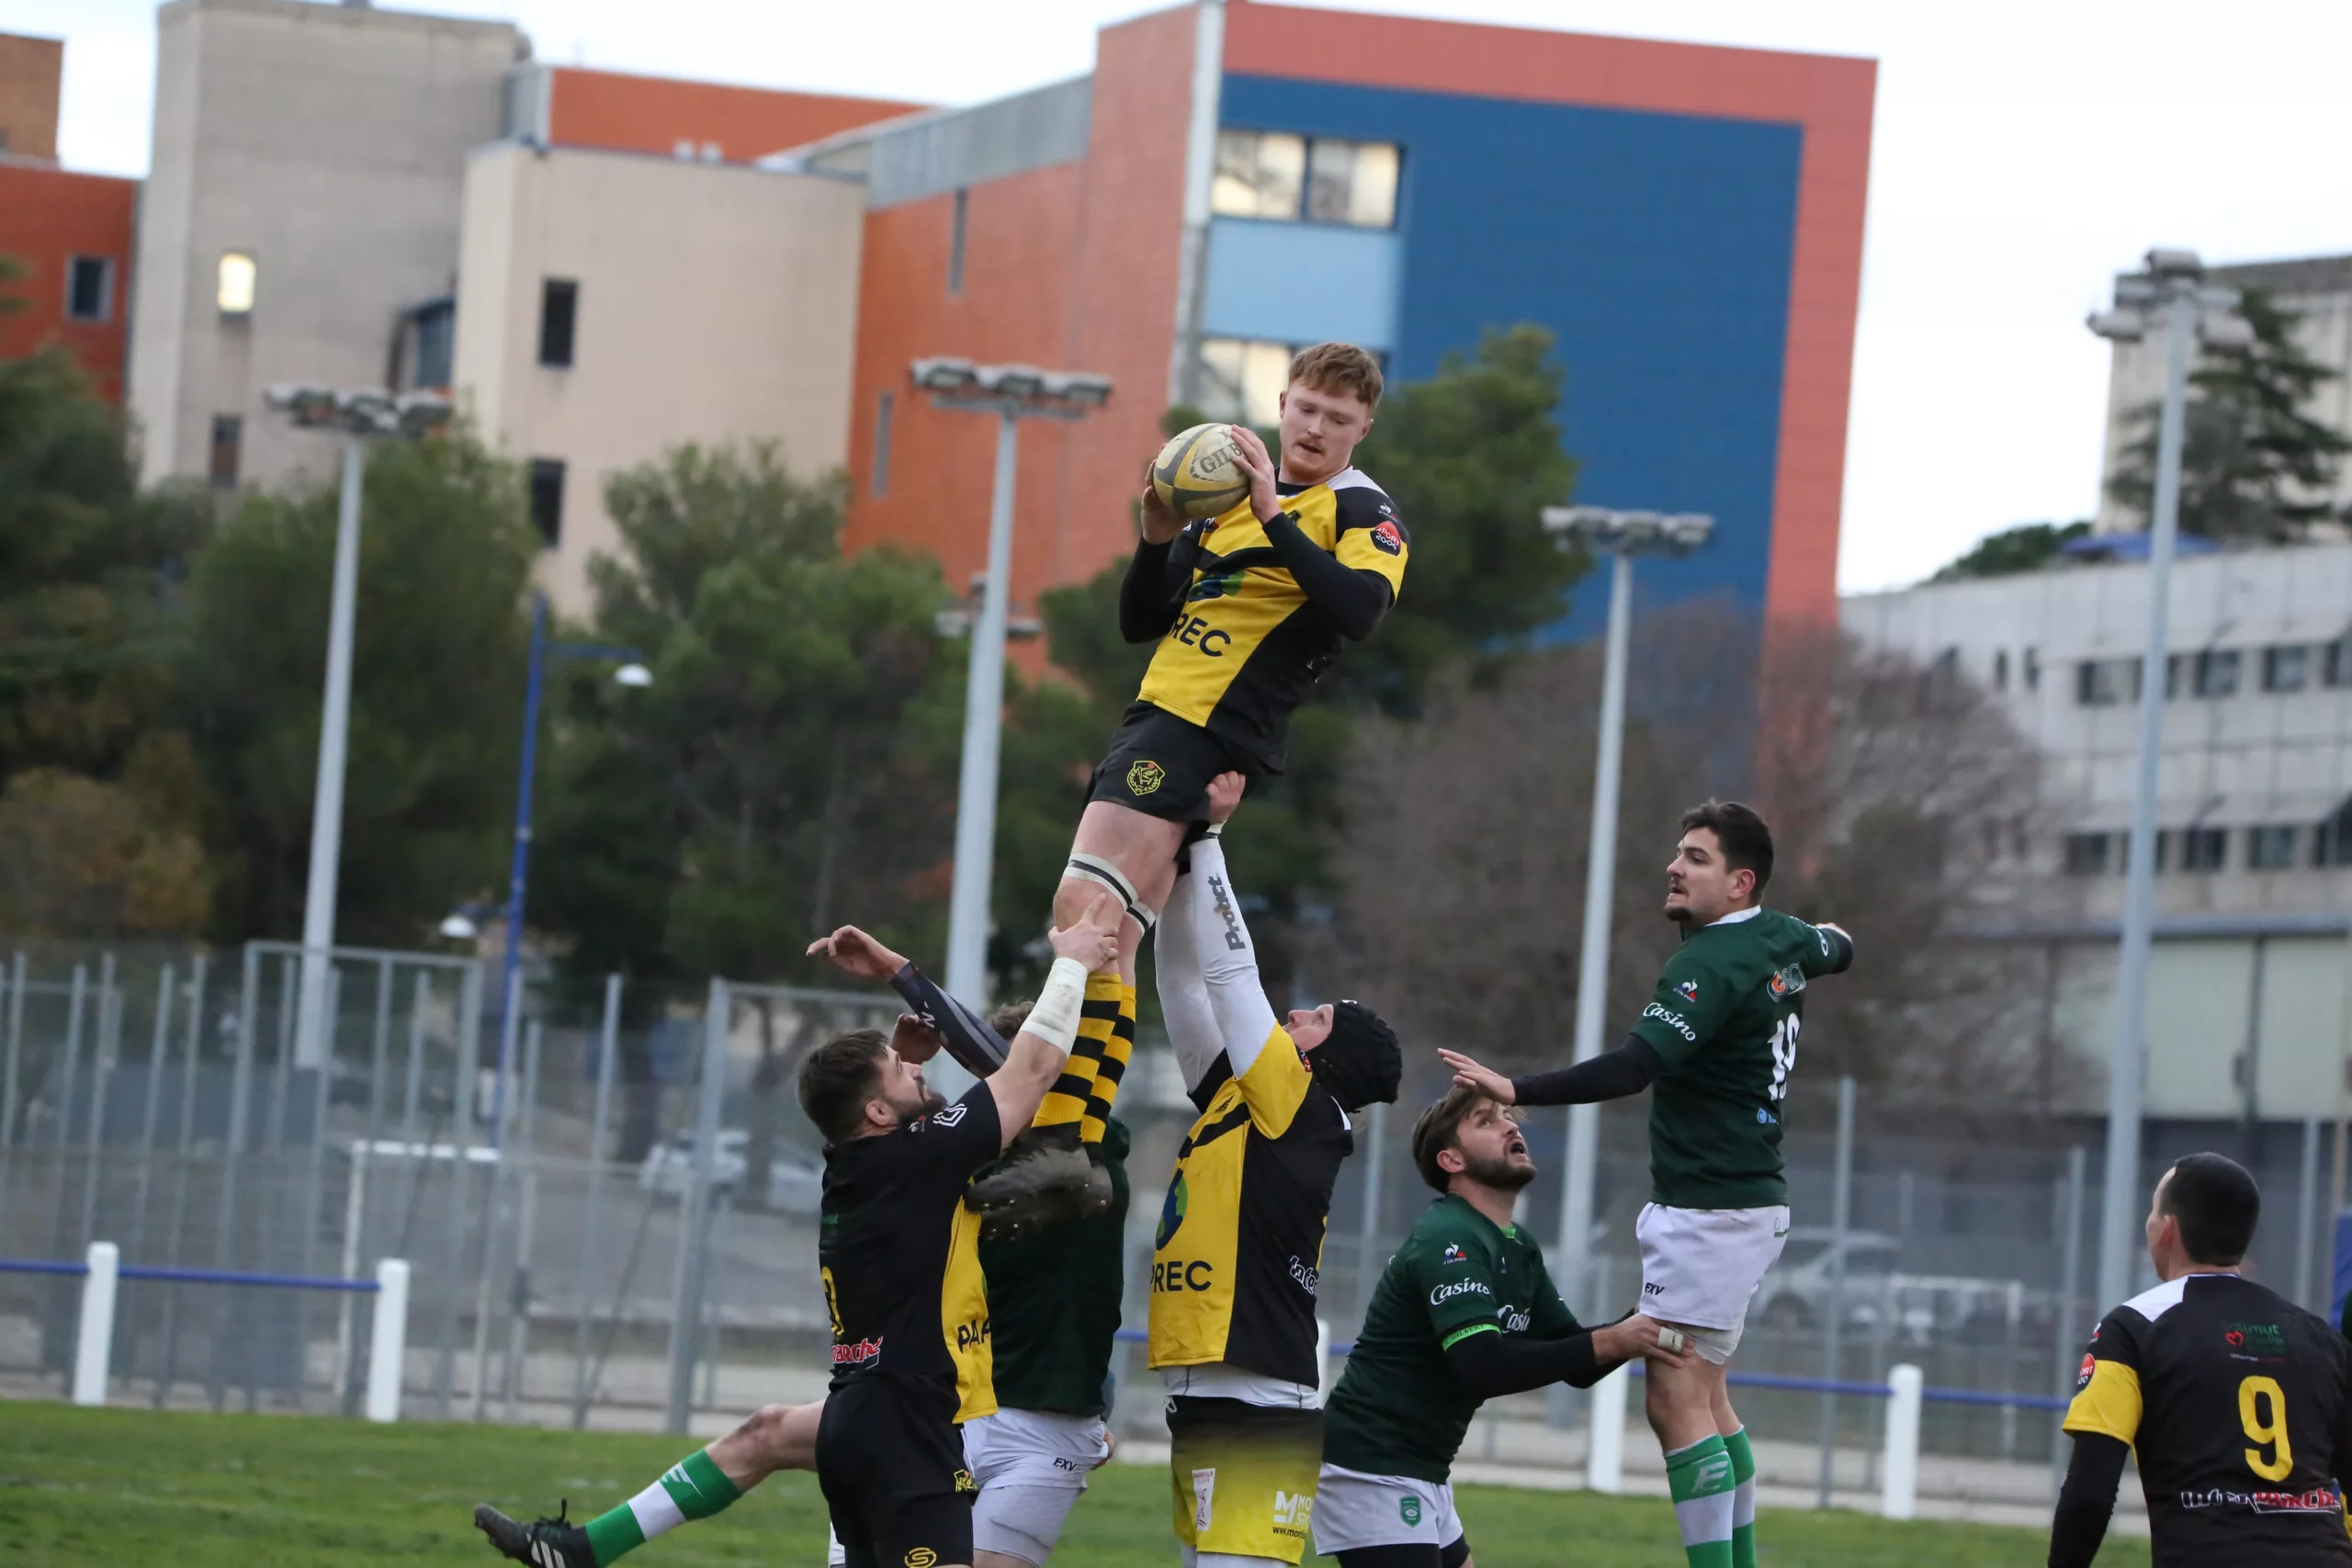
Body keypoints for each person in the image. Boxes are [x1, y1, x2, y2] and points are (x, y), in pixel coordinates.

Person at [473, 897, 1124, 1568]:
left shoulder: (863, 1164)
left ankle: (581, 1550)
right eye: (905, 1073)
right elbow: (1033, 1071)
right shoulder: (917, 1160)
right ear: (876, 1109)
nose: (922, 1071)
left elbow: (918, 1118)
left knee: (764, 1433)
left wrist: (901, 1038)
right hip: (908, 1424)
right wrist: (1071, 962)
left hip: (856, 1417)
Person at [973, 343, 1407, 1223]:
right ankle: (1077, 1143)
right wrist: (1156, 535)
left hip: (1207, 725)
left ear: (1364, 429)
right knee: (1113, 932)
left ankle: (1065, 1139)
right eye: (1307, 410)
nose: (1316, 429)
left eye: (1338, 419)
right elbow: (1142, 619)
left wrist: (1274, 516)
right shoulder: (1219, 503)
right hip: (1161, 709)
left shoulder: (1360, 507)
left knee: (1081, 908)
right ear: (1282, 405)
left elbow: (1357, 610)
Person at [1440, 799, 1852, 1568]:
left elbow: (1634, 1067)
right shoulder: (1782, 936)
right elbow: (1840, 945)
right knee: (1709, 1393)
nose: (1674, 865)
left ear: (1739, 882)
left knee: (1674, 1394)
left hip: (1713, 1209)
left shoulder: (1710, 961)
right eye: (1678, 852)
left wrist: (1516, 1086)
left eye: (1695, 857)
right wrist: (1816, 949)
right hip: (1743, 1202)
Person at [1150, 773, 1401, 1568]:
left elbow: (1230, 975)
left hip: (1259, 1402)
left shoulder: (1302, 1107)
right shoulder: (1243, 1099)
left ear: (1329, 1058)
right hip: (1208, 1399)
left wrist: (1209, 839)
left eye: (1316, 1018)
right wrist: (1175, 867)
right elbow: (1183, 979)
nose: (1295, 1014)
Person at [1314, 1084, 1690, 1568]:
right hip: (1370, 1465)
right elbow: (1480, 1365)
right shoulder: (1450, 1236)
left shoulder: (1516, 1245)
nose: (1512, 1125)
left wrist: (1647, 1320)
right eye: (1486, 1121)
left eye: (1508, 1117)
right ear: (1451, 1160)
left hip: (1421, 1468)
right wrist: (1616, 1338)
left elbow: (1576, 1357)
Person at [2052, 1153, 2352, 1568]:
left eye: (2153, 1210)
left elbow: (2089, 1493)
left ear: (2168, 1229)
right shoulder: (2319, 1337)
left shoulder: (2132, 1328)